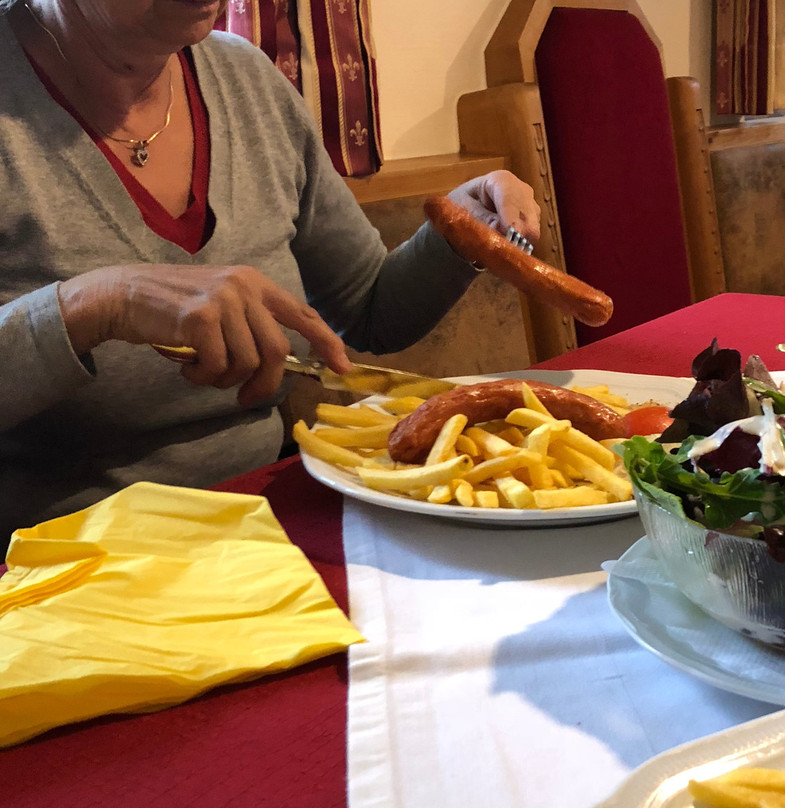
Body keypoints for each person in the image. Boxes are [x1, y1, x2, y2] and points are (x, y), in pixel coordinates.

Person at [0, 0, 542, 538]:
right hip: (65, 555)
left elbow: (370, 311)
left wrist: (456, 236)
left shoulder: (245, 78)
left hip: (272, 519)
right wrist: (98, 304)